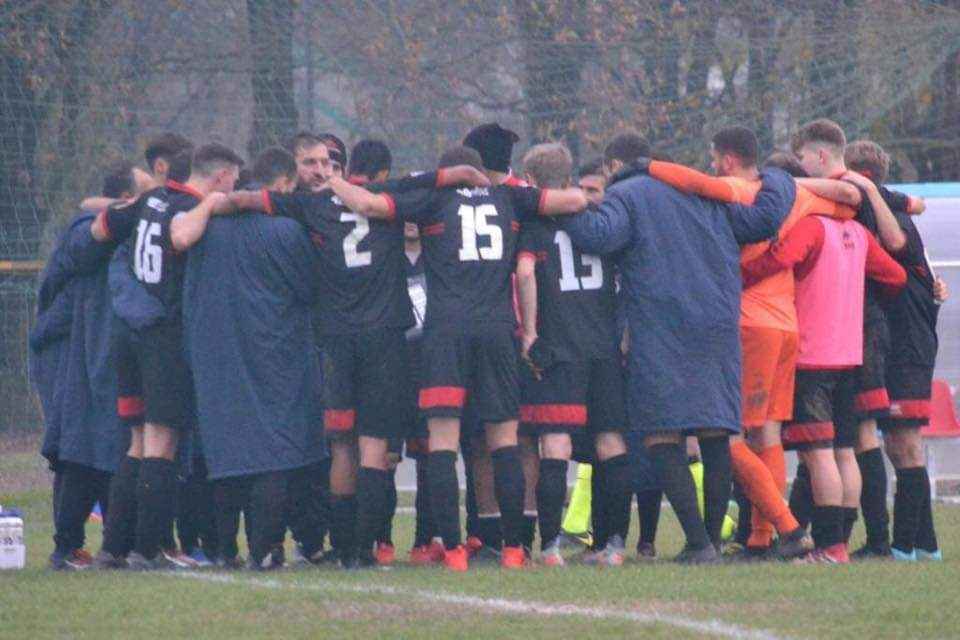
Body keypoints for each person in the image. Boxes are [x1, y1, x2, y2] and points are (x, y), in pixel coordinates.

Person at [319, 145, 589, 571]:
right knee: (504, 441)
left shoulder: (433, 199)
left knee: (442, 444)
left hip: (446, 332)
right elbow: (574, 200)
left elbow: (369, 204)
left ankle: (455, 550)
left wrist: (331, 180)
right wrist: (506, 185)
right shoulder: (509, 197)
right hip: (497, 331)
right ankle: (514, 550)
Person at [224, 158, 490, 568]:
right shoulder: (387, 193)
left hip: (336, 338)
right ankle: (365, 548)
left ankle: (344, 545)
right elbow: (437, 177)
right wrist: (469, 175)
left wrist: (212, 204)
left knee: (342, 445)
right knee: (374, 446)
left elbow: (247, 200)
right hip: (385, 336)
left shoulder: (310, 205)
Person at [559, 159, 796, 564]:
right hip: (718, 327)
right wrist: (775, 174)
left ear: (616, 168)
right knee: (715, 432)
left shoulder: (627, 196)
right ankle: (713, 542)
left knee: (662, 435)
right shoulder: (704, 191)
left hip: (660, 330)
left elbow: (598, 235)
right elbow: (764, 220)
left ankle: (698, 543)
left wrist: (559, 203)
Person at [638, 126, 860, 558]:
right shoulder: (798, 196)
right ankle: (762, 537)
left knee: (727, 435)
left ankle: (787, 528)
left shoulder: (739, 191)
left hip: (750, 325)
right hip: (786, 326)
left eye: (714, 158)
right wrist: (803, 184)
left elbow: (695, 184)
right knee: (767, 434)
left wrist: (646, 167)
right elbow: (849, 202)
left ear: (727, 159)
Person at [91, 143, 243, 570]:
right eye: (233, 180)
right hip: (163, 337)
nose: (234, 187)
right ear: (220, 177)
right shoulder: (188, 204)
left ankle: (113, 548)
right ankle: (148, 548)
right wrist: (210, 205)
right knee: (162, 441)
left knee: (138, 443)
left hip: (129, 332)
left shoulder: (150, 198)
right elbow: (181, 236)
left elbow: (100, 228)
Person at [183, 147, 327, 570]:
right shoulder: (286, 231)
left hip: (217, 354)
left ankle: (222, 548)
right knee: (275, 452)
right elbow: (310, 291)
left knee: (226, 451)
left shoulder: (206, 228)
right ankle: (265, 548)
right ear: (282, 184)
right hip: (276, 353)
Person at [742, 208, 907, 563]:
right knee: (845, 451)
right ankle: (840, 543)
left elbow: (780, 260)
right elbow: (895, 276)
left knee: (817, 455)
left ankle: (829, 545)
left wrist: (737, 273)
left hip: (812, 356)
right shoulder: (859, 233)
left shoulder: (812, 227)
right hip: (849, 356)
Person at [515, 143, 633, 567]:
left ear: (532, 182)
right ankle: (614, 544)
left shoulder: (535, 225)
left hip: (559, 347)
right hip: (603, 347)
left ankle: (550, 547)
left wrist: (530, 330)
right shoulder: (599, 221)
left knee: (556, 443)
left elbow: (525, 273)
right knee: (611, 441)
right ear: (568, 179)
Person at [791, 119, 907, 549]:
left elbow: (895, 246)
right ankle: (851, 538)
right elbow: (895, 270)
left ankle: (849, 540)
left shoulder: (837, 202)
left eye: (803, 158)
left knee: (838, 445)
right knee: (849, 443)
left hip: (829, 342)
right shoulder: (857, 213)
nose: (801, 168)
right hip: (851, 343)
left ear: (821, 155)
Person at [32, 162, 142, 570]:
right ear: (126, 199)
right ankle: (69, 546)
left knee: (106, 446)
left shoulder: (114, 236)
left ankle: (111, 543)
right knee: (82, 448)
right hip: (78, 360)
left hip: (100, 356)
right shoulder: (87, 233)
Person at [845, 140, 943, 561]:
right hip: (898, 341)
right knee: (898, 444)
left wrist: (870, 191)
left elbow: (898, 245)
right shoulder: (879, 212)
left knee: (905, 442)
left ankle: (902, 545)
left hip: (909, 344)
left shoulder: (892, 216)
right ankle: (925, 544)